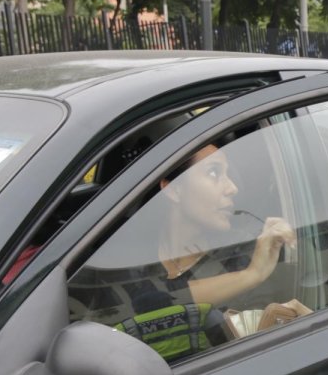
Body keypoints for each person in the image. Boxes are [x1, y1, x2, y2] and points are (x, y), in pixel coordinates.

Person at [69, 143, 296, 360]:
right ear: (173, 189)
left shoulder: (238, 259)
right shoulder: (120, 260)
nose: (232, 188)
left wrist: (252, 275)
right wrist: (250, 275)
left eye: (229, 175)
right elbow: (134, 310)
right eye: (214, 173)